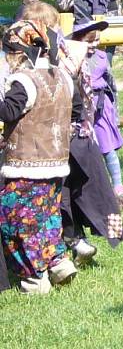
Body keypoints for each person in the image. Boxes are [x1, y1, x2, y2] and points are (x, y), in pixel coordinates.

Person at [0, 19, 77, 294]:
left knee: (18, 221)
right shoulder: (62, 76)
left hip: (26, 164)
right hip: (57, 161)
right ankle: (58, 262)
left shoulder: (23, 80)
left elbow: (9, 112)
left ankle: (34, 278)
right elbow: (76, 108)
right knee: (47, 216)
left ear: (19, 53)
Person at [68, 18, 123, 199]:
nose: (94, 44)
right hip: (80, 108)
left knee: (107, 146)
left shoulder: (102, 58)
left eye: (96, 40)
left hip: (101, 107)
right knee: (82, 146)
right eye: (89, 41)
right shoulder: (71, 58)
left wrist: (114, 109)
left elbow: (112, 84)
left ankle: (117, 184)